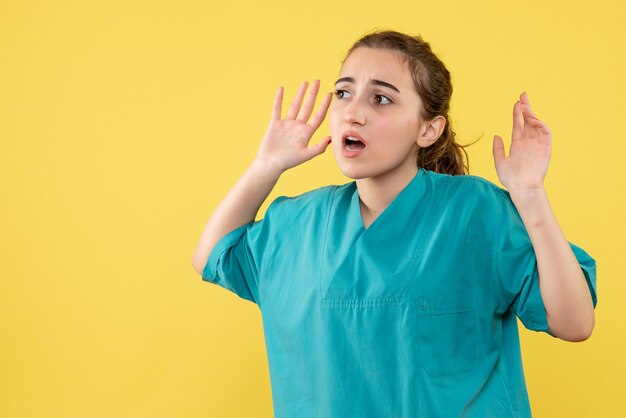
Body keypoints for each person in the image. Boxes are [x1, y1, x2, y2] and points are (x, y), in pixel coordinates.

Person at [191, 30, 597, 418]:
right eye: (344, 93)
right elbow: (212, 255)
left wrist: (529, 194)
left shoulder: (475, 212)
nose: (353, 112)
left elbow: (575, 323)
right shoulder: (298, 223)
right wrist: (267, 165)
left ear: (428, 129)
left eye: (381, 99)